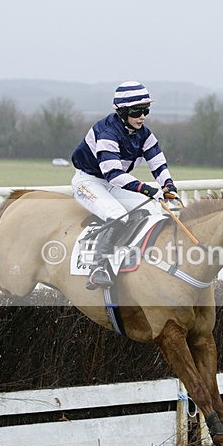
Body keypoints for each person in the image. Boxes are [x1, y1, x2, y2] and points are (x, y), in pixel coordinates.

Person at [70, 81, 178, 290]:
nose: (143, 116)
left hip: (112, 183)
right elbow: (113, 174)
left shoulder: (144, 134)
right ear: (122, 112)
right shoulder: (107, 132)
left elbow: (158, 164)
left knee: (152, 210)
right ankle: (97, 267)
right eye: (137, 111)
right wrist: (147, 189)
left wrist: (169, 186)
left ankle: (137, 260)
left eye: (146, 110)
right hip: (88, 181)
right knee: (118, 215)